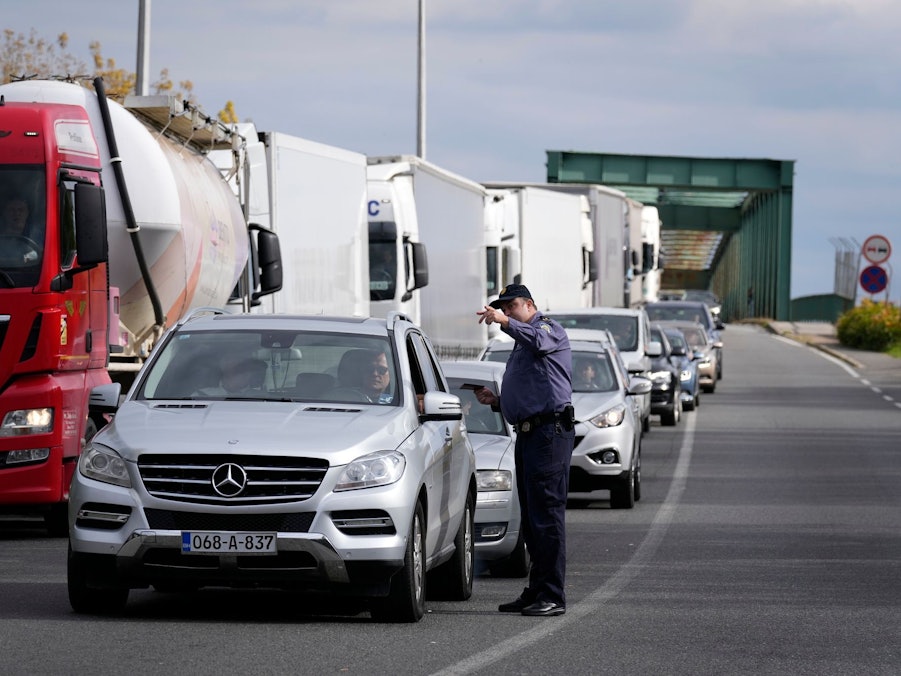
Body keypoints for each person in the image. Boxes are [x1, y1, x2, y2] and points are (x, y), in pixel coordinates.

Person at [475, 283, 574, 617]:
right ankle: (536, 591)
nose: (505, 311)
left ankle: (552, 595)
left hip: (549, 434)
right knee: (532, 520)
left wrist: (504, 323)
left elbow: (540, 341)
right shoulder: (520, 341)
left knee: (546, 517)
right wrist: (499, 401)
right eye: (502, 307)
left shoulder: (546, 329)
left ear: (529, 304)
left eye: (511, 305)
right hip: (531, 434)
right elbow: (534, 390)